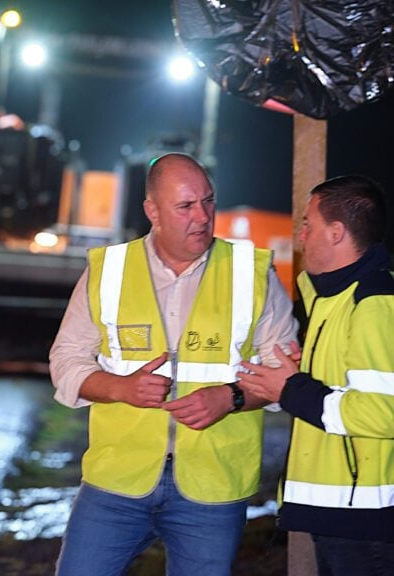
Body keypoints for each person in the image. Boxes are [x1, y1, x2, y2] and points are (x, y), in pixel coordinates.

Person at [49, 152, 298, 575]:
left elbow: (285, 374)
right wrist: (119, 388)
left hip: (213, 485)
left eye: (208, 201)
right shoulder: (108, 270)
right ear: (152, 211)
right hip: (116, 481)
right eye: (185, 206)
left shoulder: (251, 273)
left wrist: (230, 398)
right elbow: (65, 361)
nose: (202, 217)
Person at [237, 175, 394, 575]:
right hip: (343, 512)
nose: (301, 235)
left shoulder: (373, 302)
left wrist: (291, 388)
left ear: (337, 232)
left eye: (308, 224)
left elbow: (383, 411)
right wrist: (304, 370)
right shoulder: (334, 296)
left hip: (363, 519)